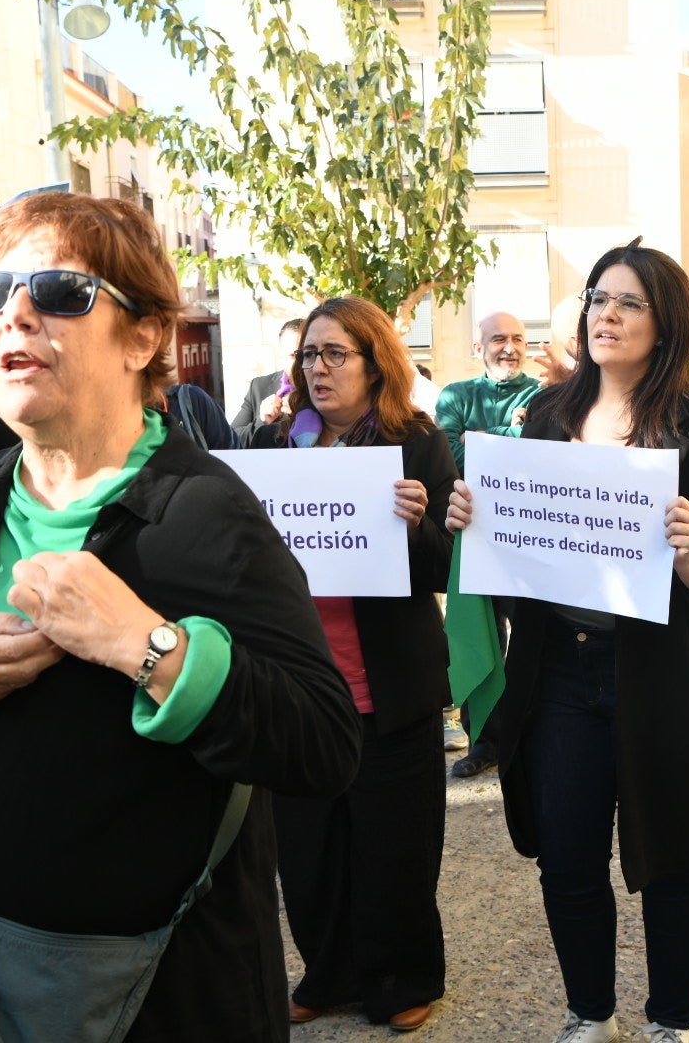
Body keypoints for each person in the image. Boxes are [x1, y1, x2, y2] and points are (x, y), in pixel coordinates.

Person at [0, 192, 362, 1042]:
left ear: (144, 336)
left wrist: (144, 645)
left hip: (139, 999)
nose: (14, 313)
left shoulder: (202, 512)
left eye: (59, 291)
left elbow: (322, 741)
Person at [447, 239, 689, 1043]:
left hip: (662, 673)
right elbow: (518, 557)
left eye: (627, 303)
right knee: (568, 855)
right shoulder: (545, 418)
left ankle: (670, 1022)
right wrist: (475, 527)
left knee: (672, 856)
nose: (605, 315)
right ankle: (590, 1013)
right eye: (596, 299)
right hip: (558, 671)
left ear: (667, 324)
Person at [250, 296, 456, 1033]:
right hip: (300, 688)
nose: (319, 368)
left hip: (389, 685)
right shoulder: (274, 445)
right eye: (310, 354)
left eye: (336, 353)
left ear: (375, 363)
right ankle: (328, 973)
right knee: (307, 849)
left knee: (394, 846)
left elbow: (445, 566)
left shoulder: (417, 445)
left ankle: (400, 979)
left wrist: (414, 523)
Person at [434, 311, 542, 771]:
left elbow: (543, 450)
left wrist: (486, 437)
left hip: (531, 540)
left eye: (518, 338)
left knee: (535, 638)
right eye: (498, 339)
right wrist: (511, 435)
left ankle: (531, 731)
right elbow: (449, 453)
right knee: (483, 638)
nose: (510, 347)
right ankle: (486, 739)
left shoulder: (543, 394)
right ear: (478, 348)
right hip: (473, 538)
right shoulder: (456, 395)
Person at [231, 318, 303, 444]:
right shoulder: (259, 387)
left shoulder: (324, 390)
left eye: (306, 355)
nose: (299, 363)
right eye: (292, 356)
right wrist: (261, 421)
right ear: (281, 355)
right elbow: (231, 440)